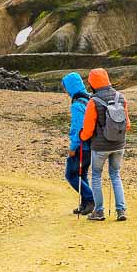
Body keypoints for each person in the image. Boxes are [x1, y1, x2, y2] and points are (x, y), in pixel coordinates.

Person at [79, 68, 131, 221]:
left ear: (92, 83)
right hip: (119, 144)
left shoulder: (93, 101)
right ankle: (121, 210)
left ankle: (99, 211)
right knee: (115, 175)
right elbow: (127, 125)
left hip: (100, 147)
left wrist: (81, 136)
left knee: (96, 176)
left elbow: (88, 130)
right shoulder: (120, 97)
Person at [61, 72, 94, 215]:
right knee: (83, 174)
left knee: (71, 175)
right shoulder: (89, 99)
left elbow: (78, 128)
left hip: (82, 145)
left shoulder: (77, 104)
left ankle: (90, 199)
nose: (65, 91)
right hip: (92, 144)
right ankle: (85, 204)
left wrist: (73, 147)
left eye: (65, 87)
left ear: (71, 87)